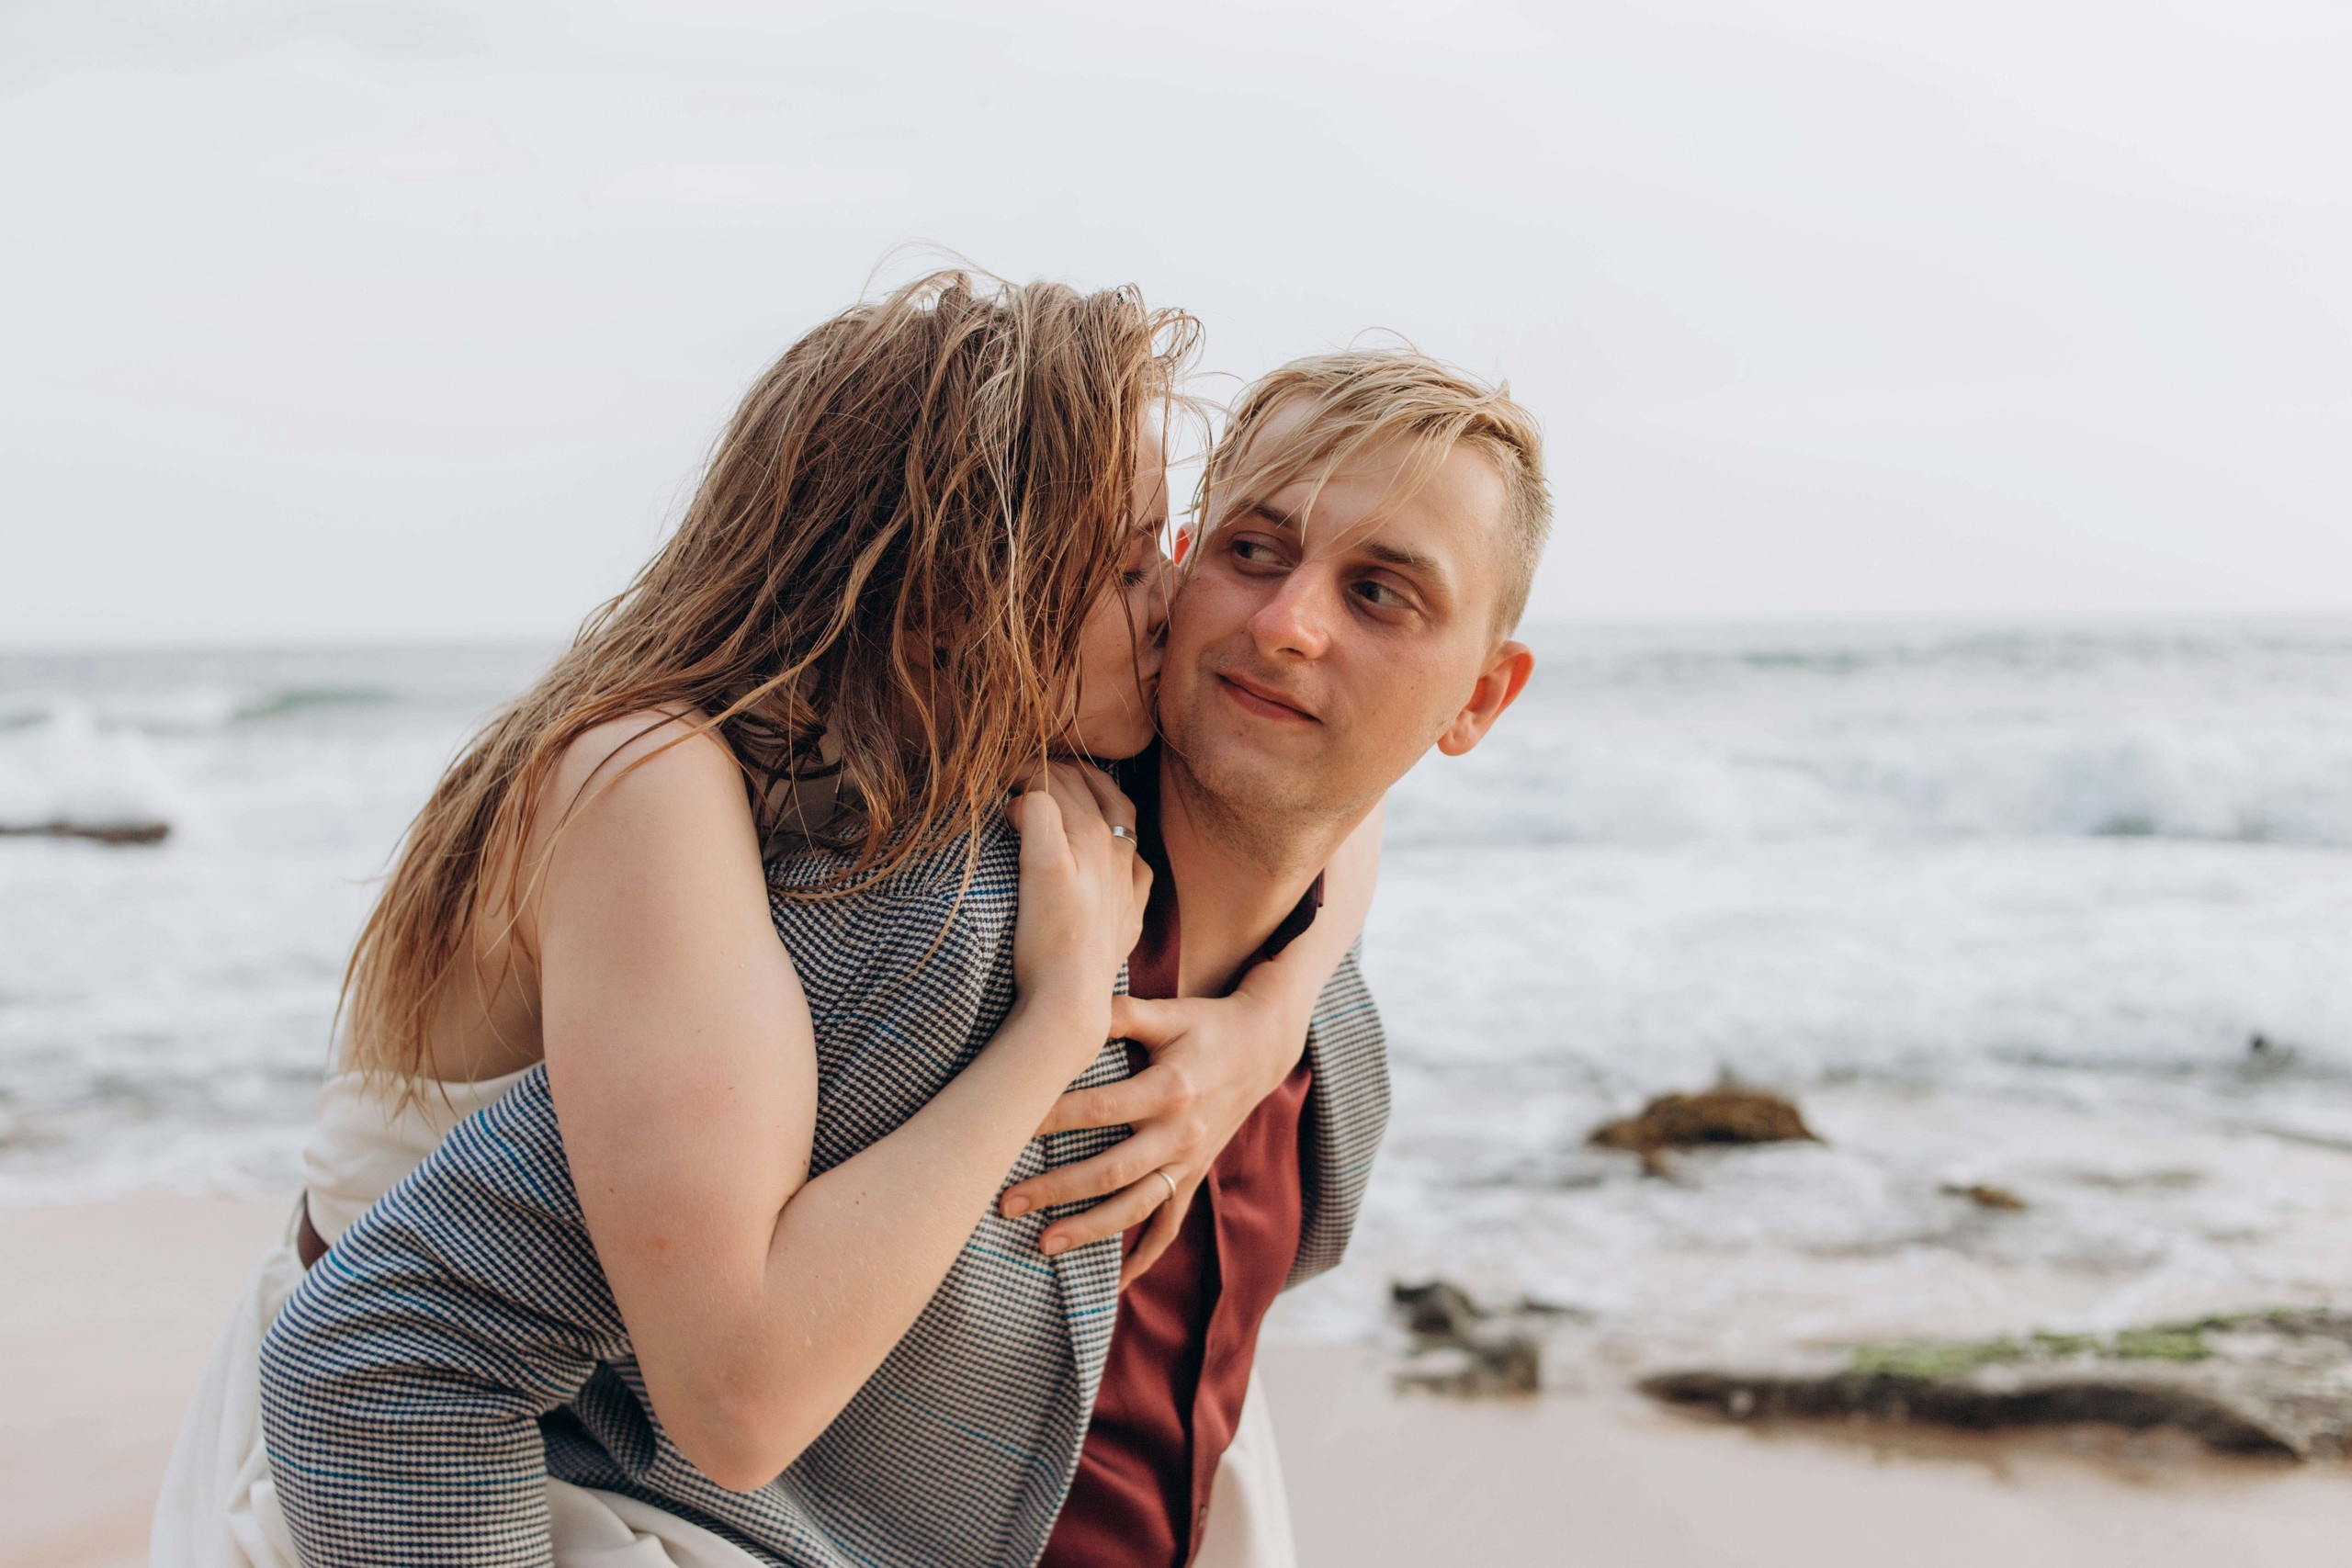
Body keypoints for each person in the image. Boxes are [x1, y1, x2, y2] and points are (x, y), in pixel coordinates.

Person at [154, 270, 1380, 1568]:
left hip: (576, 1436)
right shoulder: (649, 781)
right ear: (955, 601)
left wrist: (1266, 1021)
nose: (1172, 601)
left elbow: (1343, 808)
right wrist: (1060, 1018)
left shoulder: (922, 750)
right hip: (411, 1465)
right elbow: (735, 1399)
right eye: (1130, 562)